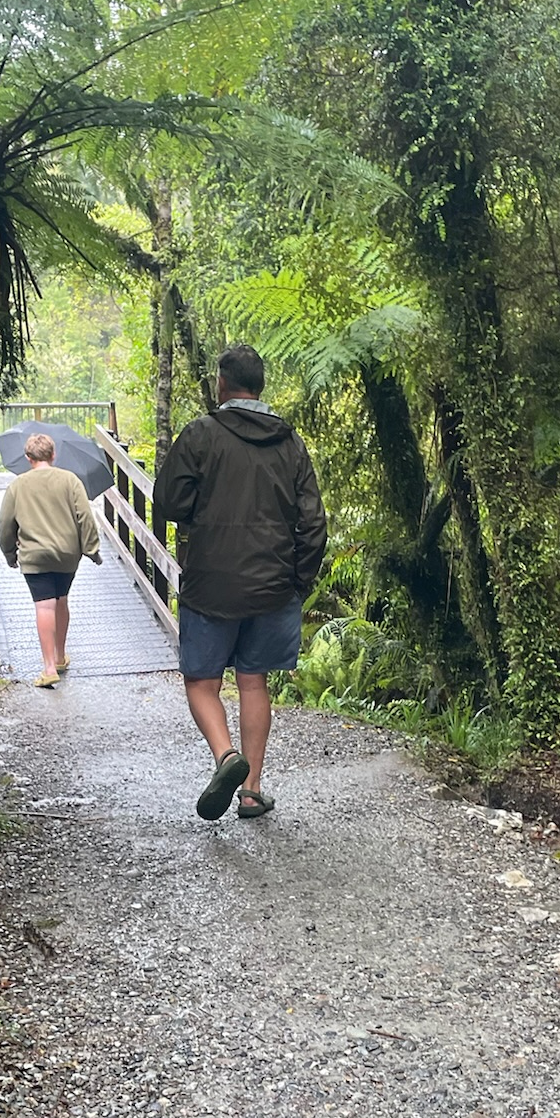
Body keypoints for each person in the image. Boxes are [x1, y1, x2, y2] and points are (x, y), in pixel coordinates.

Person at [152, 343, 327, 820]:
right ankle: (251, 792)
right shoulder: (290, 443)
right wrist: (298, 582)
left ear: (222, 384)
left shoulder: (201, 434)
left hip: (211, 583)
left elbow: (168, 500)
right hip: (274, 585)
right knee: (253, 682)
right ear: (260, 387)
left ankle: (226, 755)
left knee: (201, 681)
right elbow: (313, 522)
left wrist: (203, 513)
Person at [0, 432, 101, 688]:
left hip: (35, 556)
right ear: (53, 454)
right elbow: (85, 517)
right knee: (61, 599)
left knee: (44, 606)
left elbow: (5, 525)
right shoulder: (70, 480)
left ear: (28, 457)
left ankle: (49, 668)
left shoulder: (18, 486)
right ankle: (60, 656)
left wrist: (10, 554)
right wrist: (91, 549)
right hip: (67, 554)